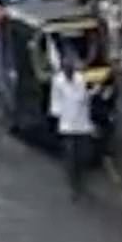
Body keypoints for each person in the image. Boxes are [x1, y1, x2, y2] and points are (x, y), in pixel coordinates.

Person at [50, 56, 95, 201]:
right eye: (66, 69)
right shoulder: (58, 81)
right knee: (70, 156)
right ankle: (73, 187)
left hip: (82, 124)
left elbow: (84, 99)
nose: (69, 71)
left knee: (82, 156)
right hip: (67, 124)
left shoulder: (81, 79)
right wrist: (57, 117)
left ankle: (80, 181)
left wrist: (90, 94)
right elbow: (55, 102)